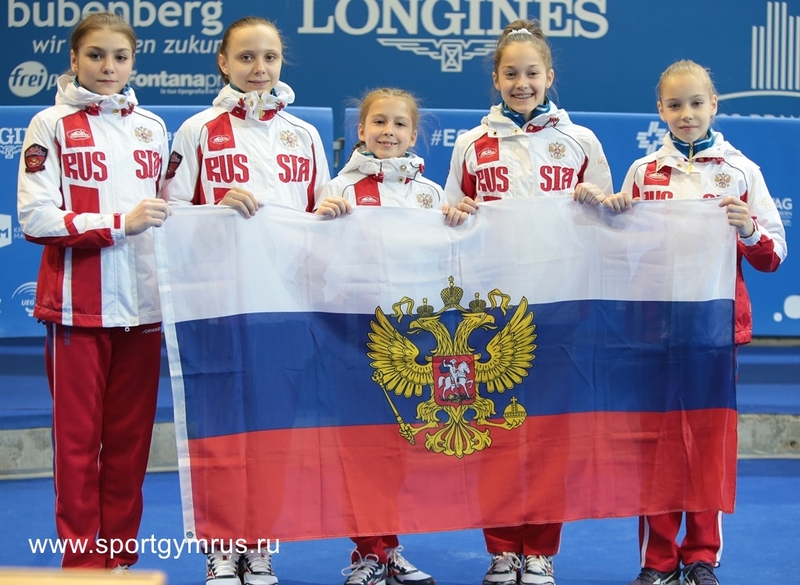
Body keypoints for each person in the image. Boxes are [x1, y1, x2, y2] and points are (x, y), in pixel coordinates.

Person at [160, 16, 330, 585]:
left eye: (271, 58)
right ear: (223, 63)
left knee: (273, 433)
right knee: (218, 429)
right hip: (217, 304)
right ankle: (220, 544)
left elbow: (322, 219)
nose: (260, 70)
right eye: (247, 58)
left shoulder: (304, 135)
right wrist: (216, 206)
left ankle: (260, 544)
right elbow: (168, 213)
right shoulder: (197, 131)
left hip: (283, 305)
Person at [443, 19, 613, 585]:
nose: (522, 82)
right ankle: (500, 548)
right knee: (492, 428)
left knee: (551, 434)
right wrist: (457, 213)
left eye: (532, 73)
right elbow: (449, 216)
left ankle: (539, 549)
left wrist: (600, 202)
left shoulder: (580, 141)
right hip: (489, 311)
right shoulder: (471, 143)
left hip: (561, 307)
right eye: (511, 73)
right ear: (495, 78)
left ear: (550, 77)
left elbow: (611, 221)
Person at [611, 60, 787, 585]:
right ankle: (657, 559)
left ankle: (701, 555)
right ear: (660, 111)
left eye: (695, 103)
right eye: (674, 105)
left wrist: (750, 228)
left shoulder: (741, 171)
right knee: (656, 444)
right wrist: (618, 219)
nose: (685, 114)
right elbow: (625, 256)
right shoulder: (643, 172)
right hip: (654, 330)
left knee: (706, 445)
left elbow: (773, 255)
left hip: (714, 330)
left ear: (714, 105)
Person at [16, 12, 170, 573]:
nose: (109, 67)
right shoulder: (48, 124)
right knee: (78, 448)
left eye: (120, 57)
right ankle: (81, 567)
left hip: (146, 307)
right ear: (74, 60)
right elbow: (34, 216)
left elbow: (170, 211)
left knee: (130, 448)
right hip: (78, 306)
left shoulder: (153, 126)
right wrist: (118, 223)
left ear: (133, 62)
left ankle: (121, 560)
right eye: (96, 56)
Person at [315, 87, 462, 585]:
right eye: (378, 122)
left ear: (414, 135)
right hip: (354, 336)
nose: (388, 132)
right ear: (360, 130)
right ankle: (365, 552)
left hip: (413, 342)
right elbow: (316, 264)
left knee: (400, 444)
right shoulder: (337, 188)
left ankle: (390, 544)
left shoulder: (431, 193)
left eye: (399, 125)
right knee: (361, 446)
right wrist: (321, 225)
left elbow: (450, 262)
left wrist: (459, 225)